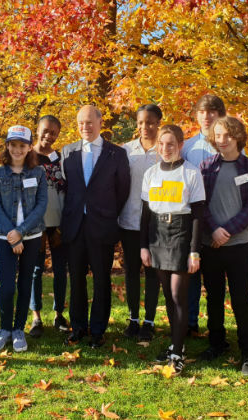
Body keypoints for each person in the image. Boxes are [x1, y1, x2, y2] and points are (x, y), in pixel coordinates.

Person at [61, 105, 130, 349]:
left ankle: (98, 330)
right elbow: (66, 188)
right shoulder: (67, 152)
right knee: (76, 281)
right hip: (75, 227)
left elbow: (123, 190)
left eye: (89, 122)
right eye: (80, 123)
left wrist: (106, 213)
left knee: (102, 281)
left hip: (102, 226)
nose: (85, 127)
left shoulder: (116, 154)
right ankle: (78, 327)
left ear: (101, 122)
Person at [199, 116, 248, 376]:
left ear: (238, 137)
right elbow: (200, 204)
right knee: (213, 298)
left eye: (227, 135)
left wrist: (227, 231)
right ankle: (217, 343)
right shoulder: (205, 167)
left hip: (239, 246)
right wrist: (214, 229)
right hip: (210, 244)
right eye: (218, 136)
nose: (221, 140)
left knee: (240, 300)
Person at [140, 125, 205, 373]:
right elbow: (145, 214)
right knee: (168, 296)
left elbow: (198, 214)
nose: (165, 149)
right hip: (157, 234)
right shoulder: (151, 173)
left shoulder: (191, 173)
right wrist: (144, 246)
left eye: (171, 144)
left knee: (179, 297)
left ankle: (177, 354)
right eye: (162, 144)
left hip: (180, 233)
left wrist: (194, 251)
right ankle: (175, 344)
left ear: (180, 145)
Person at [0, 125, 47, 353]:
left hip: (32, 236)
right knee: (7, 288)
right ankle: (4, 329)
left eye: (22, 145)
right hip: (6, 237)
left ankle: (18, 329)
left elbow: (41, 205)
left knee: (25, 284)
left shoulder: (38, 173)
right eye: (13, 144)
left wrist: (21, 231)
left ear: (29, 147)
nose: (17, 149)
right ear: (7, 146)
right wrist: (12, 236)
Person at [181, 94, 227, 336]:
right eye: (202, 111)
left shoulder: (227, 146)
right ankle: (189, 323)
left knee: (215, 278)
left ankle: (215, 326)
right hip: (193, 221)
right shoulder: (187, 147)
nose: (207, 116)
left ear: (220, 114)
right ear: (196, 115)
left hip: (220, 220)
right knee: (191, 274)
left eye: (212, 111)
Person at [118, 104, 162, 341]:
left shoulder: (164, 150)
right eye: (141, 122)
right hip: (129, 221)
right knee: (132, 272)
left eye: (151, 122)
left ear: (158, 123)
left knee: (153, 273)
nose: (145, 127)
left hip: (156, 225)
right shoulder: (127, 150)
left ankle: (150, 321)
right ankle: (133, 319)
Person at [29, 115, 69, 338]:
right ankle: (36, 316)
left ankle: (59, 314)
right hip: (36, 223)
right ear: (37, 129)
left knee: (60, 270)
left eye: (54, 132)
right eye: (45, 130)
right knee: (36, 270)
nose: (49, 135)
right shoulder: (27, 156)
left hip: (59, 222)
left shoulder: (61, 159)